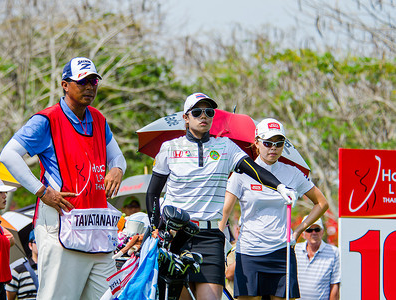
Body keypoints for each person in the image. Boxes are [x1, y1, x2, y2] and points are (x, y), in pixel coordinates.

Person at [146, 93, 298, 300]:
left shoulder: (225, 146)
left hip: (210, 238)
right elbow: (153, 193)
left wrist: (279, 187)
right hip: (176, 236)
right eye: (197, 112)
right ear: (186, 117)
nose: (204, 116)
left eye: (209, 112)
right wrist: (155, 227)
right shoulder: (170, 148)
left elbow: (253, 169)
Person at [0, 56, 127, 300]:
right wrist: (41, 191)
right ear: (65, 85)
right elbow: (8, 155)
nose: (90, 87)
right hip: (60, 224)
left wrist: (117, 170)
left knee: (112, 296)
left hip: (96, 227)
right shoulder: (46, 119)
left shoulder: (99, 119)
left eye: (93, 81)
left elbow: (118, 158)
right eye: (82, 81)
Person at [220, 118, 329, 300]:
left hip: (282, 251)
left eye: (279, 143)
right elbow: (225, 211)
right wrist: (219, 243)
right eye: (268, 143)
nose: (273, 148)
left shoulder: (292, 172)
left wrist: (299, 230)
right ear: (256, 143)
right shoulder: (241, 173)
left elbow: (322, 203)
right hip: (249, 252)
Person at [295, 216, 340, 300]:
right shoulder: (294, 250)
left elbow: (335, 285)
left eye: (317, 229)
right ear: (303, 234)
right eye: (309, 230)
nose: (314, 233)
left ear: (322, 232)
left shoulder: (334, 252)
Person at [6, 230, 39, 300]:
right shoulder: (17, 272)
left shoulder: (54, 269)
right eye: (37, 241)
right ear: (30, 245)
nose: (41, 245)